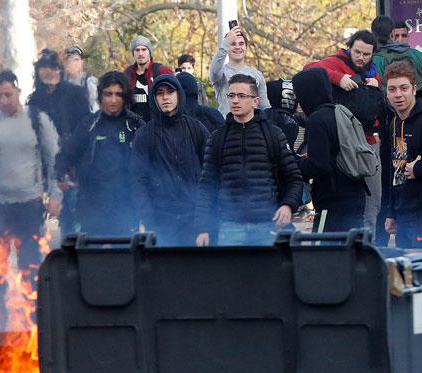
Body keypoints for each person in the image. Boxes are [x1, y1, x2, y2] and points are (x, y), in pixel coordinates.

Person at [0, 70, 61, 329]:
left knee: (30, 266)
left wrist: (54, 194)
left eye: (8, 95)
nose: (4, 100)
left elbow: (53, 159)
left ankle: (33, 320)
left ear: (18, 91)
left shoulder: (36, 119)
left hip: (29, 204)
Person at [196, 74, 302, 246]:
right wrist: (203, 228)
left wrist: (288, 205)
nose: (235, 100)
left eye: (241, 95)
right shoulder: (217, 138)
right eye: (231, 95)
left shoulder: (273, 134)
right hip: (229, 227)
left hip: (268, 225)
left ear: (255, 101)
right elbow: (207, 186)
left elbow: (294, 178)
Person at [305, 30, 382, 232]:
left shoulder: (373, 72)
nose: (361, 57)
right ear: (350, 48)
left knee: (372, 202)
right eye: (357, 52)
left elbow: (375, 107)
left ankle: (367, 243)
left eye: (366, 54)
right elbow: (309, 69)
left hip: (367, 143)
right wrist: (339, 78)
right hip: (341, 142)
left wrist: (377, 87)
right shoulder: (336, 62)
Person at [56, 71, 144, 236]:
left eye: (118, 94)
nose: (113, 100)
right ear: (100, 96)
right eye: (108, 94)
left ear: (125, 97)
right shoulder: (89, 124)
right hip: (91, 205)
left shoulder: (135, 124)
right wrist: (61, 174)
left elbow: (149, 163)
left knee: (124, 251)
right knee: (91, 251)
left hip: (125, 207)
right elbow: (67, 153)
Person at [131, 74, 209, 245]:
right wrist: (149, 223)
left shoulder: (196, 129)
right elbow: (139, 182)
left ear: (179, 94)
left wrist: (204, 225)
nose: (165, 97)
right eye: (160, 93)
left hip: (193, 222)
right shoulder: (145, 135)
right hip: (161, 223)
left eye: (170, 91)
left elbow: (209, 178)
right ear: (154, 98)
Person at [292, 67, 369, 233]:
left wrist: (294, 164)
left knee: (322, 245)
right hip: (355, 194)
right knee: (351, 245)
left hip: (332, 201)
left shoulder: (317, 120)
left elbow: (318, 166)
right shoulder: (339, 111)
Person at [28, 49, 90, 235]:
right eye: (45, 67)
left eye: (54, 67)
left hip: (72, 164)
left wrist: (76, 166)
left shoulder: (75, 94)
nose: (50, 72)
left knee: (73, 219)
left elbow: (85, 129)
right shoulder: (35, 100)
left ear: (60, 70)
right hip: (46, 167)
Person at [380, 61, 422, 247]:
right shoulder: (395, 123)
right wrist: (392, 213)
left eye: (404, 88)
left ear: (414, 89)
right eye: (392, 89)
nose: (398, 94)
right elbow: (397, 170)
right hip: (404, 216)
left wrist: (418, 168)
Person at [210, 25, 270, 117]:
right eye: (233, 44)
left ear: (246, 48)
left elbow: (264, 106)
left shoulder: (257, 74)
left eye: (241, 44)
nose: (237, 47)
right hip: (228, 124)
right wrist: (226, 42)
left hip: (253, 124)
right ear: (227, 47)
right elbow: (214, 70)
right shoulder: (221, 73)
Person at [124, 35, 174, 122]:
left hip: (158, 125)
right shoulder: (127, 74)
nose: (140, 53)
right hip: (133, 126)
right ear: (133, 53)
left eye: (144, 49)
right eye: (137, 50)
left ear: (149, 52)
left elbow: (175, 96)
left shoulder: (161, 71)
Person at [372, 16, 422, 92]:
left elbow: (378, 89)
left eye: (403, 36)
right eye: (397, 35)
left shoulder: (376, 59)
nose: (400, 39)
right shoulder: (416, 54)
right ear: (392, 34)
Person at [64, 46, 99, 112]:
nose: (73, 63)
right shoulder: (63, 83)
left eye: (76, 60)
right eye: (70, 60)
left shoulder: (89, 81)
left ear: (82, 62)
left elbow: (96, 107)